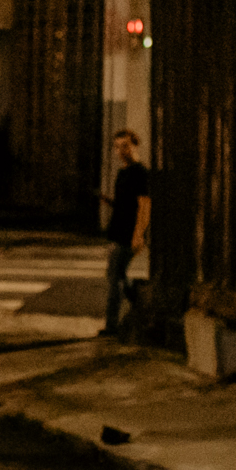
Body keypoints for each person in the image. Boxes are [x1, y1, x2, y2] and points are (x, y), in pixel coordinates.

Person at [101, 129, 151, 336]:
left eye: (125, 146)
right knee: (117, 275)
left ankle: (112, 325)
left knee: (114, 277)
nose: (121, 151)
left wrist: (138, 234)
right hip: (118, 230)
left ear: (135, 145)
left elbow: (144, 205)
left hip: (129, 233)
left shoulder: (140, 173)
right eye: (117, 147)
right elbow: (124, 204)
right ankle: (142, 303)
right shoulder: (122, 172)